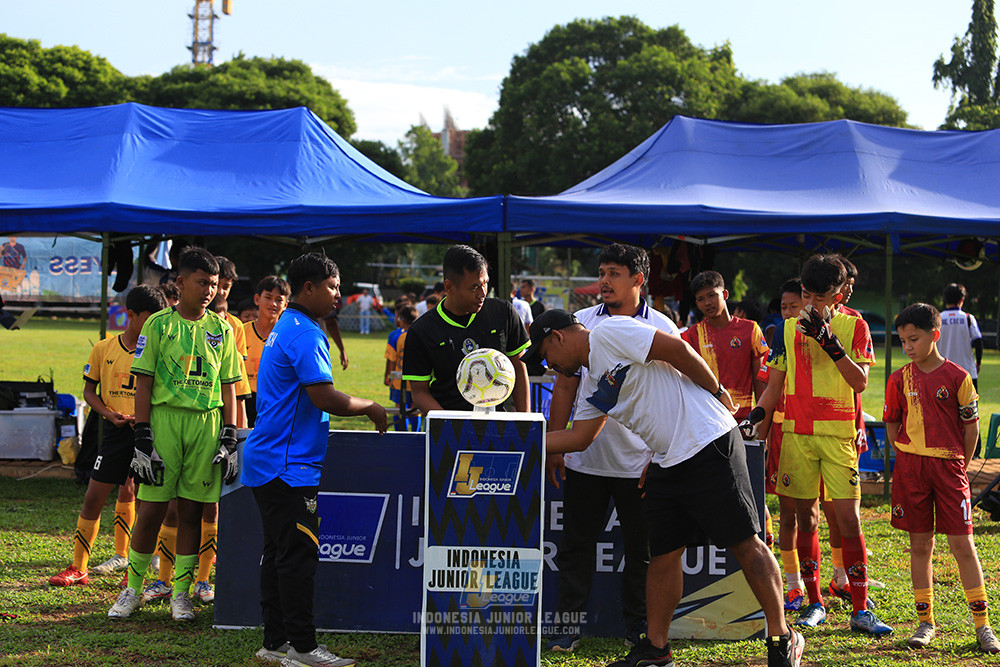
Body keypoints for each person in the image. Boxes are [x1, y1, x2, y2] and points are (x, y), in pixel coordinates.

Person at [527, 309, 804, 667]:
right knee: (662, 555)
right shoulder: (593, 381)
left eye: (546, 355)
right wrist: (522, 442)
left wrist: (717, 391)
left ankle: (782, 636)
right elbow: (580, 438)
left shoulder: (608, 331)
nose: (550, 366)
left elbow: (678, 350)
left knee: (744, 542)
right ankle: (656, 650)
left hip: (707, 439)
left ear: (558, 337)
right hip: (665, 459)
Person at [241, 252, 387, 667]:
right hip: (287, 468)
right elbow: (323, 395)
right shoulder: (304, 332)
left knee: (279, 554)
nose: (339, 295)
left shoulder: (287, 325)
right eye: (334, 287)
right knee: (299, 556)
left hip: (268, 461)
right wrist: (370, 406)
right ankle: (303, 649)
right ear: (309, 288)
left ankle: (275, 644)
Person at [545, 243, 677, 653]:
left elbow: (675, 395)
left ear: (639, 280)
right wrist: (555, 447)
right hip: (586, 458)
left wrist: (659, 456)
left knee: (642, 552)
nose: (604, 280)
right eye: (602, 272)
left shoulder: (663, 327)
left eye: (614, 273)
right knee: (575, 547)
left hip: (642, 460)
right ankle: (567, 628)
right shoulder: (581, 322)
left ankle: (638, 628)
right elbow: (565, 384)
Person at [756, 254, 892, 636]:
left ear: (838, 294)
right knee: (806, 520)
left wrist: (830, 343)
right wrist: (757, 431)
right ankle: (814, 602)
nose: (813, 303)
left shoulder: (855, 326)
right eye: (807, 294)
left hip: (838, 436)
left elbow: (860, 382)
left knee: (848, 522)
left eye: (822, 296)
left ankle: (861, 608)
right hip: (797, 436)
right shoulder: (784, 329)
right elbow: (773, 387)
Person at [108, 247, 241, 622]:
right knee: (150, 509)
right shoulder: (158, 325)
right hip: (165, 422)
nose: (209, 291)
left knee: (191, 512)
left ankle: (180, 595)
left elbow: (230, 385)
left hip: (205, 424)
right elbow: (144, 383)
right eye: (202, 283)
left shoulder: (221, 329)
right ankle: (132, 589)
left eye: (214, 285)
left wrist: (229, 435)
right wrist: (143, 435)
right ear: (180, 283)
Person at [884, 303, 1000, 653]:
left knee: (963, 545)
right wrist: (905, 451)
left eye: (914, 339)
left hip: (949, 469)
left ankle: (983, 626)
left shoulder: (958, 377)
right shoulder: (898, 378)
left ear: (935, 335)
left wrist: (960, 464)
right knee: (920, 545)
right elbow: (891, 420)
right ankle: (925, 622)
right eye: (903, 341)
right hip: (911, 469)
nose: (908, 347)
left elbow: (971, 426)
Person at [48, 285, 167, 587]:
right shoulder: (104, 349)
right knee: (92, 498)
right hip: (115, 434)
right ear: (131, 316)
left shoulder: (160, 350)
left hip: (147, 434)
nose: (156, 324)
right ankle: (79, 567)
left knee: (145, 501)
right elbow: (89, 391)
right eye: (150, 318)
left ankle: (138, 566)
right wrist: (108, 412)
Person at [402, 244, 530, 413]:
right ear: (449, 287)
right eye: (474, 287)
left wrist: (524, 422)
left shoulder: (504, 312)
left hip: (498, 425)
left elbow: (519, 370)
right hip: (448, 428)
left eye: (485, 283)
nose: (483, 293)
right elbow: (419, 393)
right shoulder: (421, 330)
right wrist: (451, 427)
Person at [758, 279, 807, 612]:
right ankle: (794, 584)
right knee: (788, 511)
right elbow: (769, 390)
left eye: (795, 306)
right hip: (783, 434)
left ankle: (839, 578)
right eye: (784, 307)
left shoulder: (832, 332)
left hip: (825, 435)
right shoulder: (778, 337)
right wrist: (758, 437)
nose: (789, 313)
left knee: (829, 516)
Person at [682, 271, 768, 423]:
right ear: (697, 304)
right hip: (708, 420)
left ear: (725, 294)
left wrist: (761, 420)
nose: (707, 302)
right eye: (701, 299)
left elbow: (760, 379)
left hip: (744, 420)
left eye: (712, 295)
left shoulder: (751, 329)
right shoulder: (691, 336)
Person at [244, 275, 290, 427]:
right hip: (244, 401)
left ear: (285, 305)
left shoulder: (287, 336)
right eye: (268, 297)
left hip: (275, 403)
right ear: (257, 299)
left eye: (279, 299)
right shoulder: (240, 332)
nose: (273, 303)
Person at [938, 283, 983, 391]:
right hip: (967, 372)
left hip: (943, 373)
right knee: (969, 407)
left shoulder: (937, 319)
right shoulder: (968, 318)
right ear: (961, 299)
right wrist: (978, 362)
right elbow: (978, 342)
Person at [384, 304, 419, 431]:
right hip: (417, 380)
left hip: (400, 379)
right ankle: (416, 433)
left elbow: (392, 359)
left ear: (401, 319)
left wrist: (389, 376)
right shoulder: (421, 335)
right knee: (416, 408)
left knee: (399, 408)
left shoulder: (396, 336)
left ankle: (400, 434)